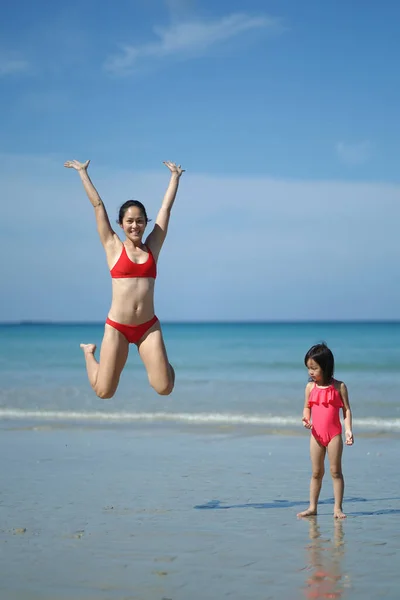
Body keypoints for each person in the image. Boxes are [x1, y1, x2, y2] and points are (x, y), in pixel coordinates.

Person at [64, 158, 184, 399]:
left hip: (147, 327)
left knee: (165, 387)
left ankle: (164, 364)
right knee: (103, 392)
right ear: (121, 224)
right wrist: (82, 173)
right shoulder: (112, 247)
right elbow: (98, 206)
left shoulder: (153, 247)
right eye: (129, 221)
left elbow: (165, 210)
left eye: (140, 220)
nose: (135, 225)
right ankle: (89, 353)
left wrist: (175, 178)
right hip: (118, 327)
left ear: (145, 223)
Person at [297, 343, 354, 519]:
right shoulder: (310, 388)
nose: (311, 372)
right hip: (316, 435)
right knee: (316, 473)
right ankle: (312, 507)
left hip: (334, 435)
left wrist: (348, 430)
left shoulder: (339, 387)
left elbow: (346, 410)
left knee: (335, 472)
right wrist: (306, 418)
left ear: (326, 367)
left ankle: (337, 508)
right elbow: (306, 407)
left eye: (314, 368)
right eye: (308, 368)